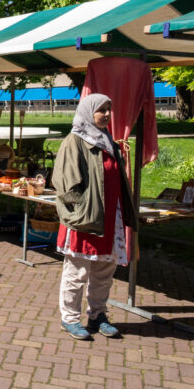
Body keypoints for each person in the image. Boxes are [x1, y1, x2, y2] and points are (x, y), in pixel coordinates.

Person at [52, 94, 137, 340]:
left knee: (104, 270)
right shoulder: (75, 141)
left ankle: (98, 314)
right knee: (77, 272)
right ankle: (69, 318)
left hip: (110, 219)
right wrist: (81, 213)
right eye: (102, 110)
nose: (108, 114)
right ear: (89, 112)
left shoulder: (107, 140)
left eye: (110, 109)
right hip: (84, 220)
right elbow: (66, 184)